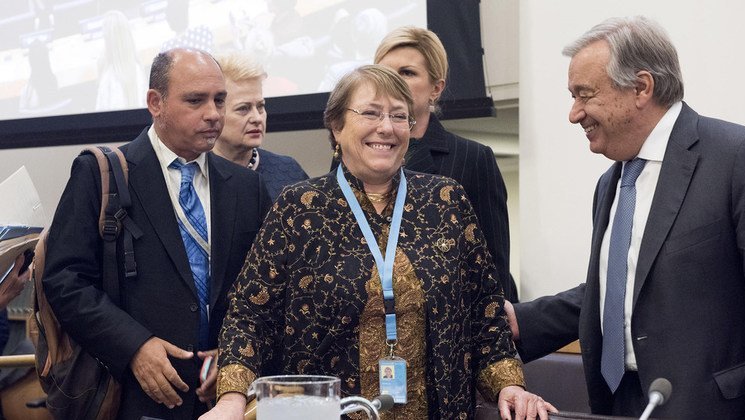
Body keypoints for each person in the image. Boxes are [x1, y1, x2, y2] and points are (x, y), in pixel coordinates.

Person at [202, 65, 555, 420]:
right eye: (370, 113)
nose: (386, 127)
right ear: (336, 126)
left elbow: (485, 311)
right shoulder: (299, 207)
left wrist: (509, 385)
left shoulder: (446, 200)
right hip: (322, 411)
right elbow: (249, 314)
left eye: (399, 116)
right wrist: (231, 398)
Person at [508, 16, 745, 419]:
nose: (574, 114)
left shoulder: (740, 157)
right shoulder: (610, 183)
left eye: (584, 95)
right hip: (620, 401)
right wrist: (518, 321)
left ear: (641, 88)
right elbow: (622, 291)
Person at [42, 48, 271, 419]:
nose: (213, 114)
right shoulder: (100, 174)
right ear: (155, 102)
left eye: (219, 100)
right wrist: (134, 347)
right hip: (130, 396)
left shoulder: (247, 188)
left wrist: (234, 359)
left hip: (220, 398)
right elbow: (65, 281)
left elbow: (262, 292)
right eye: (196, 101)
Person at [374, 26, 519, 303]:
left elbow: (493, 272)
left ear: (436, 89)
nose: (393, 81)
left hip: (449, 331)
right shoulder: (355, 158)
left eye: (407, 72)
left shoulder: (473, 159)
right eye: (385, 73)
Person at [213, 52, 308, 202]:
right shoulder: (197, 174)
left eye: (261, 106)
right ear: (215, 112)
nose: (257, 118)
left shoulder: (289, 171)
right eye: (243, 108)